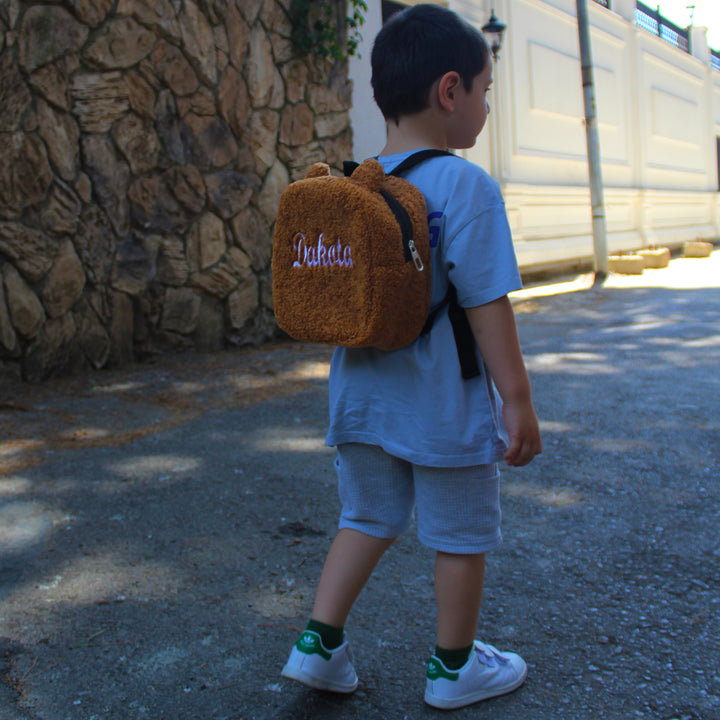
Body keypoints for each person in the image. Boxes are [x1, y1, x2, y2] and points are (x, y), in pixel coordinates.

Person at [280, 3, 542, 711]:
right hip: (442, 406)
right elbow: (487, 308)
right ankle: (455, 667)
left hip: (359, 399)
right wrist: (517, 401)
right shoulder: (465, 187)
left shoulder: (352, 184)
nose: (485, 109)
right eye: (485, 93)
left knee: (365, 517)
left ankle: (318, 645)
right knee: (459, 533)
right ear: (450, 91)